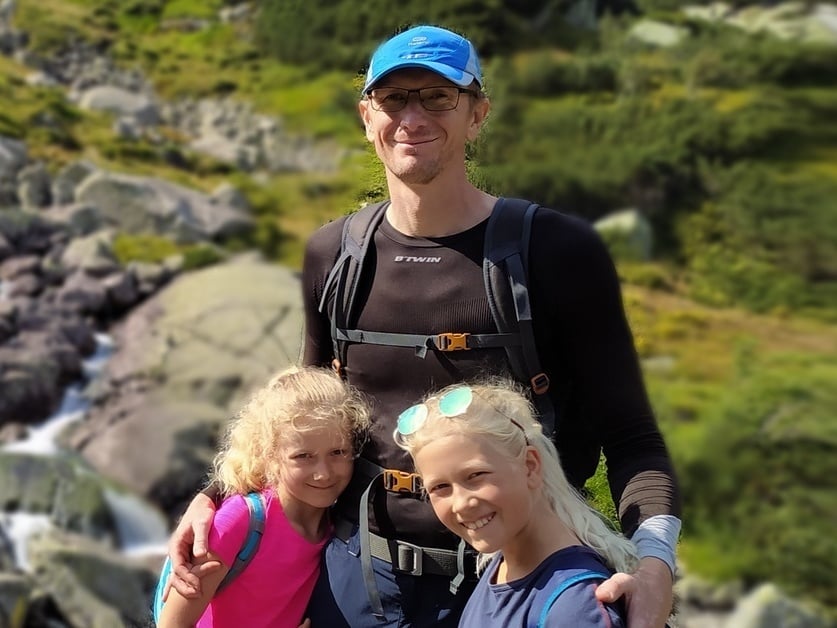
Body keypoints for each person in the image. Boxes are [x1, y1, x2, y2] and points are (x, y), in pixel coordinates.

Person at [167, 24, 682, 628]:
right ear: (367, 117)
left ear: (477, 113)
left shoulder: (557, 251)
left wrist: (654, 566)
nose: (412, 117)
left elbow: (630, 436)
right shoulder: (335, 255)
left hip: (517, 583)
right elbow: (297, 418)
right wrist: (214, 498)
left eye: (438, 97)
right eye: (393, 99)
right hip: (360, 580)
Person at [394, 380, 638, 627]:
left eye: (476, 475)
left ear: (530, 466)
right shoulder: (502, 565)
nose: (461, 504)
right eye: (440, 487)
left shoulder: (574, 606)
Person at [157, 366, 370, 628]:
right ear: (269, 455)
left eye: (338, 452)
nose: (323, 474)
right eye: (303, 456)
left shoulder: (338, 523)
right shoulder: (238, 521)